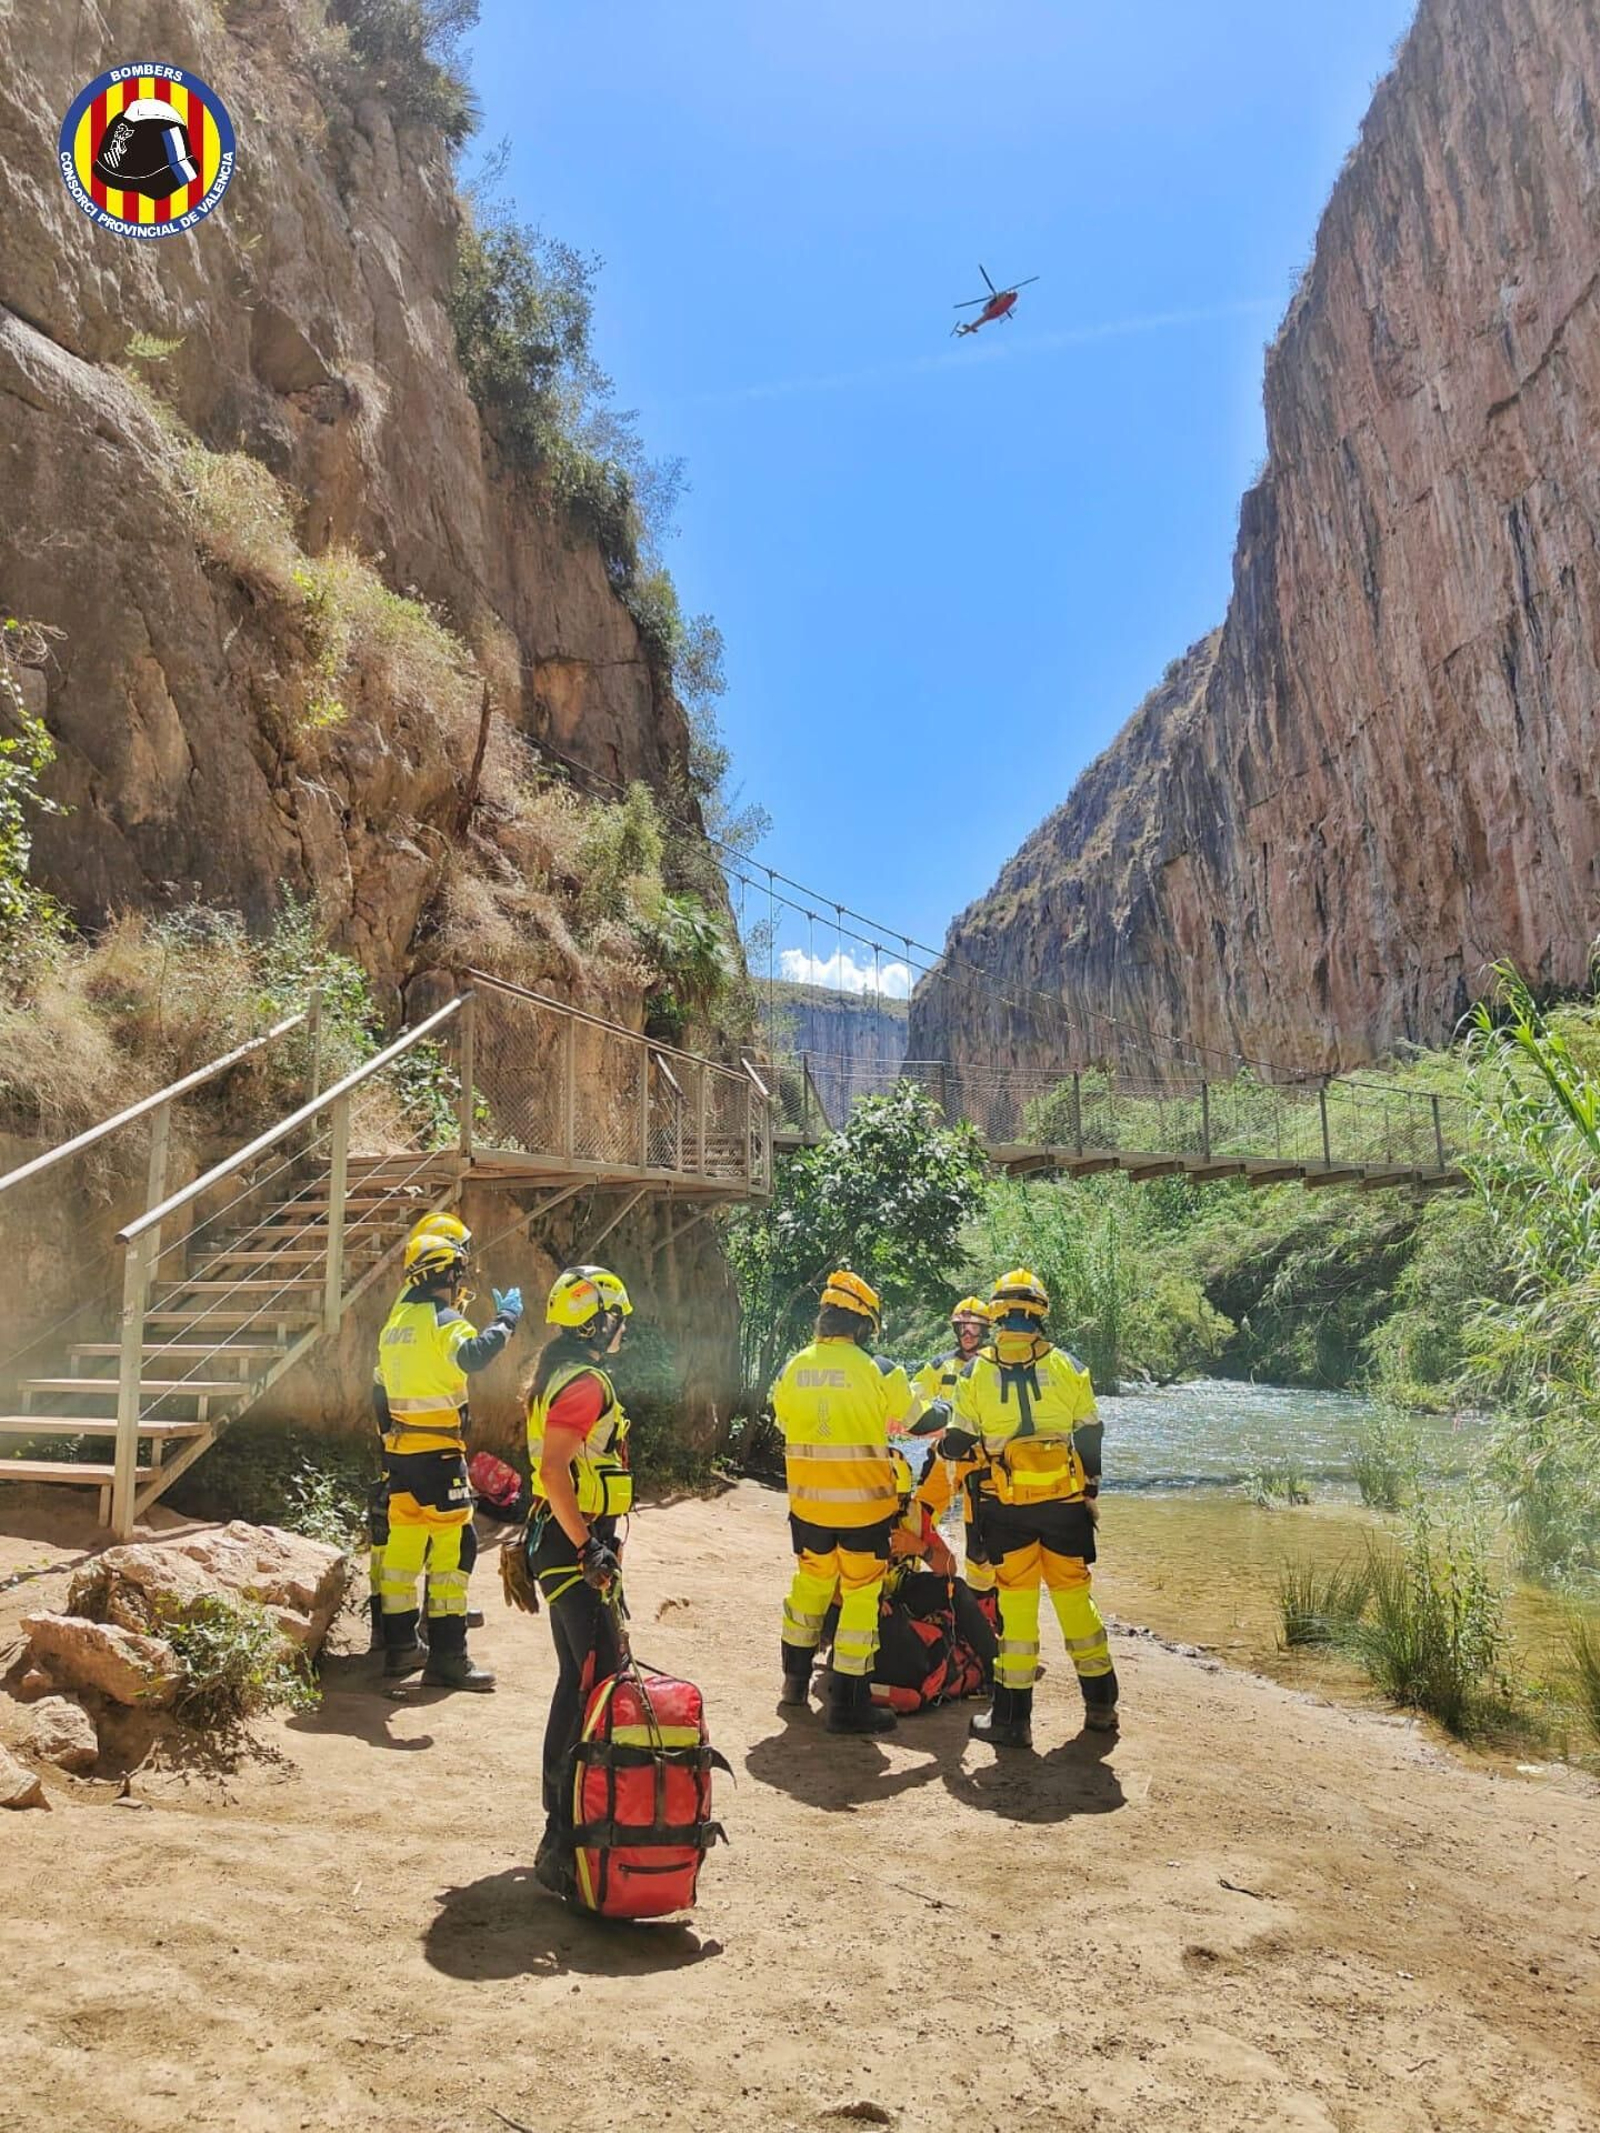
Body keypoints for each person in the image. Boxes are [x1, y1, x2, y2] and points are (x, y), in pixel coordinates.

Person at [949, 1268, 1118, 1747]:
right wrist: (1090, 1489)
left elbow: (959, 1440)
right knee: (1075, 1602)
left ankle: (1011, 1721)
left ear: (996, 1316)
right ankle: (1101, 1706)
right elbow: (1090, 1433)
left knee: (1017, 1611)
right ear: (1041, 1313)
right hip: (1065, 1507)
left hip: (1007, 1510)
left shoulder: (975, 1372)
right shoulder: (1069, 1366)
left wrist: (945, 1449)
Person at [524, 1264, 636, 1896]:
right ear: (595, 1322)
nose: (622, 1329)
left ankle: (562, 1828)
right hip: (573, 1546)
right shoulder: (585, 1384)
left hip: (563, 1541)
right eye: (616, 1318)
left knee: (580, 1678)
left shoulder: (560, 1375)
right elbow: (553, 1470)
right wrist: (588, 1546)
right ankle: (560, 1834)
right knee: (592, 1679)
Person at [374, 1225, 522, 1691]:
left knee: (402, 1551)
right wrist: (506, 1320)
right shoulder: (444, 1321)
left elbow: (379, 1391)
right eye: (459, 1272)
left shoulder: (395, 1325)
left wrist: (388, 1442)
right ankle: (448, 1657)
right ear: (448, 1274)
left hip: (401, 1457)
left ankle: (400, 1647)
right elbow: (474, 1356)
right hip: (440, 1456)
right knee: (455, 1551)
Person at [773, 1269, 913, 1736]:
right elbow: (918, 1418)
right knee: (860, 1596)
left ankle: (794, 1684)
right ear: (863, 1325)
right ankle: (848, 1705)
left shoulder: (792, 1368)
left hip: (809, 1508)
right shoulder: (880, 1370)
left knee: (810, 1586)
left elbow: (784, 1423)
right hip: (864, 1511)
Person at [366, 1213, 474, 1653]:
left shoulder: (408, 1306)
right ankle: (435, 1636)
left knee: (402, 1539)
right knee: (448, 1541)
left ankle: (395, 1634)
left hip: (403, 1443)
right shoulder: (429, 1311)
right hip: (422, 1443)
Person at [909, 1297, 997, 1605]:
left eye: (974, 1328)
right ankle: (907, 1580)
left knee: (980, 1544)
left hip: (982, 1464)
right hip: (944, 1458)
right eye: (962, 1328)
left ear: (986, 1330)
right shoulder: (940, 1365)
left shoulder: (996, 1366)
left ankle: (984, 1604)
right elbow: (912, 1398)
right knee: (916, 1519)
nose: (967, 1334)